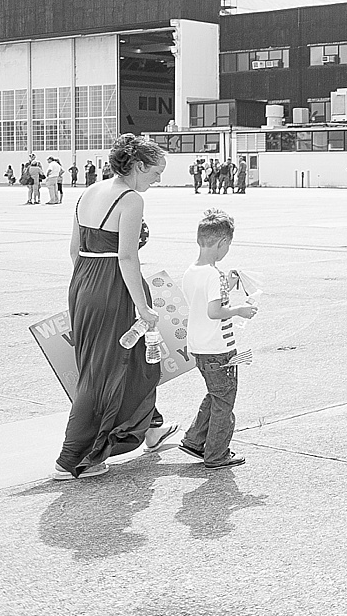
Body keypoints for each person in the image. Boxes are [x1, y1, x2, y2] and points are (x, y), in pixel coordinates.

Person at [53, 134, 176, 479]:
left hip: (83, 284)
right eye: (155, 172)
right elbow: (126, 257)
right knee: (102, 374)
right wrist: (143, 308)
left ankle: (150, 425)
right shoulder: (131, 199)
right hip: (112, 288)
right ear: (137, 166)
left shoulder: (89, 192)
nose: (157, 179)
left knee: (110, 364)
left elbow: (75, 250)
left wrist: (87, 285)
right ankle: (72, 459)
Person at [178, 209, 257, 469]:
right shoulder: (214, 275)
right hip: (219, 349)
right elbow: (215, 311)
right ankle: (216, 454)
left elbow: (204, 303)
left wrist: (226, 285)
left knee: (215, 394)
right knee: (224, 400)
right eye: (228, 245)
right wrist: (239, 310)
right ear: (222, 243)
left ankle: (195, 440)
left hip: (200, 347)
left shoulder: (192, 271)